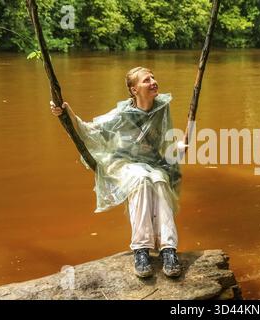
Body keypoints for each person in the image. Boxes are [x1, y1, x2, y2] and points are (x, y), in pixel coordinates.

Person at [50, 67, 182, 278]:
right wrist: (66, 112)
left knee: (158, 179)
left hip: (153, 164)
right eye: (147, 80)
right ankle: (141, 249)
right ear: (133, 89)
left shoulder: (162, 107)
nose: (154, 82)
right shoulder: (122, 113)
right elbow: (89, 130)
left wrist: (178, 150)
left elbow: (166, 141)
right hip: (123, 163)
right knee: (141, 180)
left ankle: (169, 249)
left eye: (154, 78)